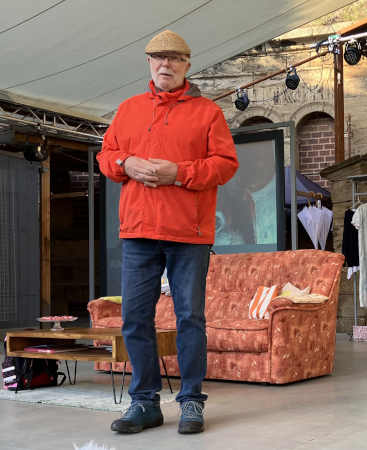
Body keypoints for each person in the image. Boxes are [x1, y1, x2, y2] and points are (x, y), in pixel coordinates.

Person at [97, 29, 239, 435]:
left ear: (187, 65)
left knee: (190, 318)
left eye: (175, 59)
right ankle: (144, 405)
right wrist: (126, 163)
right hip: (138, 231)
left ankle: (192, 402)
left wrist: (179, 173)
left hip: (189, 233)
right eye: (158, 57)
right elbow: (105, 158)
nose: (166, 64)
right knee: (134, 319)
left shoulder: (208, 112)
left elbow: (225, 165)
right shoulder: (127, 110)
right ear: (148, 63)